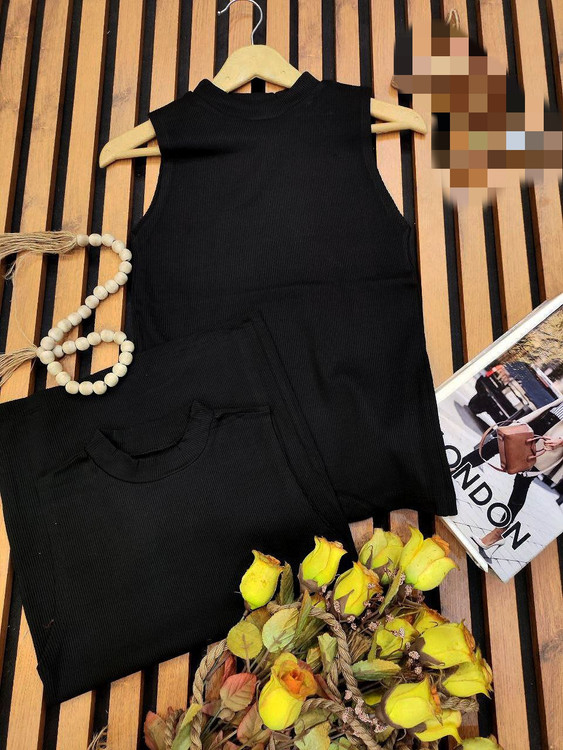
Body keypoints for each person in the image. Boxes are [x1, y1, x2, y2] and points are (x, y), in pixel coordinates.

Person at [458, 398, 563, 553]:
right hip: (541, 424)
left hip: (553, 439)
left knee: (522, 482)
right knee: (495, 445)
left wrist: (561, 441)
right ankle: (455, 469)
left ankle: (498, 533)